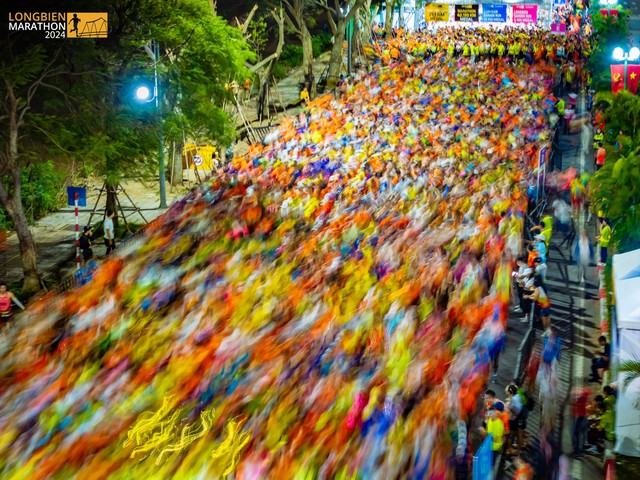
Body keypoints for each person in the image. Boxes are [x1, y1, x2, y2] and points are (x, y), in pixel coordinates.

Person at [570, 386, 591, 456]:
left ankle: (577, 450)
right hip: (583, 417)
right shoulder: (586, 398)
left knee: (576, 433)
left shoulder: (583, 397)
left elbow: (576, 403)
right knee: (581, 433)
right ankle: (580, 449)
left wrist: (571, 403)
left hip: (581, 417)